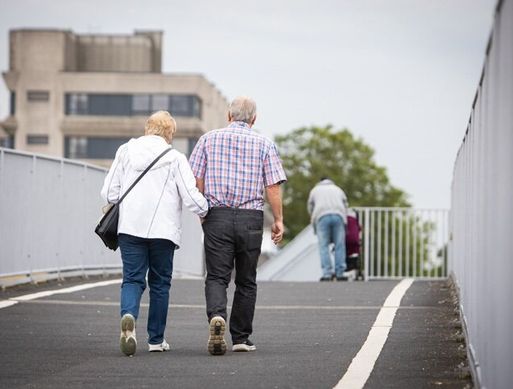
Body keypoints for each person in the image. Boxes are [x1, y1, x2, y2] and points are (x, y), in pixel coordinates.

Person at [101, 110, 208, 356]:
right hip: (164, 231)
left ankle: (128, 316)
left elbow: (109, 193)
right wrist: (206, 209)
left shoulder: (125, 151)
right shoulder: (175, 157)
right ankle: (156, 340)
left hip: (130, 228)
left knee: (132, 279)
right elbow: (191, 197)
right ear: (170, 133)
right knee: (160, 283)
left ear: (148, 128)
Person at [189, 96, 287, 355]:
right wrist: (278, 220)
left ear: (228, 115)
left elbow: (196, 178)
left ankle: (216, 318)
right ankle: (241, 337)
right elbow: (273, 186)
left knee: (217, 277)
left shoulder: (208, 139)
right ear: (254, 119)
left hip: (216, 216)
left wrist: (203, 211)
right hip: (250, 219)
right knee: (246, 280)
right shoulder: (265, 143)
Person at [307, 177, 348, 281]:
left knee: (323, 246)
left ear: (320, 182)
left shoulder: (315, 190)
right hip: (338, 216)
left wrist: (313, 219)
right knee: (339, 245)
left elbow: (310, 206)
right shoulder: (338, 189)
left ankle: (327, 274)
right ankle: (340, 273)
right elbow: (345, 204)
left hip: (321, 216)